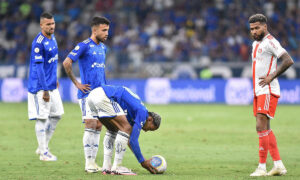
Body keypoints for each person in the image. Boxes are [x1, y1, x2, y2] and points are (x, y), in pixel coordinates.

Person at [63, 16, 111, 173]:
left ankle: (93, 162)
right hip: (87, 94)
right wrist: (77, 83)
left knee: (98, 125)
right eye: (104, 30)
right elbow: (66, 63)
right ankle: (88, 163)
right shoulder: (84, 46)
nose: (106, 33)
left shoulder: (103, 48)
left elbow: (100, 70)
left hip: (101, 93)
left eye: (108, 30)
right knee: (90, 125)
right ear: (94, 30)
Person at [248, 14, 294, 177]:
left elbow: (288, 60)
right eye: (252, 29)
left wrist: (271, 76)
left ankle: (261, 167)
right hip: (259, 91)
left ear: (265, 27)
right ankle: (278, 165)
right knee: (265, 128)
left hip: (268, 90)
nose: (254, 31)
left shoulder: (271, 42)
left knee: (260, 126)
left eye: (257, 28)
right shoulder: (255, 44)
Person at [87, 85, 161, 175]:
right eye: (149, 129)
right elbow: (133, 140)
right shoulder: (142, 112)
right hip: (104, 96)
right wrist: (143, 161)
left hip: (92, 96)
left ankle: (106, 167)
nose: (145, 131)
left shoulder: (133, 113)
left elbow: (129, 140)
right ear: (150, 119)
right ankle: (117, 167)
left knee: (112, 129)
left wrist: (142, 159)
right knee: (126, 128)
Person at [27, 12, 64, 161]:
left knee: (57, 114)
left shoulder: (53, 37)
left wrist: (54, 79)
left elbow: (53, 61)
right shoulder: (38, 42)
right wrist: (45, 90)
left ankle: (43, 146)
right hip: (40, 87)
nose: (51, 26)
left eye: (53, 23)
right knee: (42, 118)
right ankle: (43, 153)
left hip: (51, 84)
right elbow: (39, 68)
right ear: (41, 25)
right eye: (48, 24)